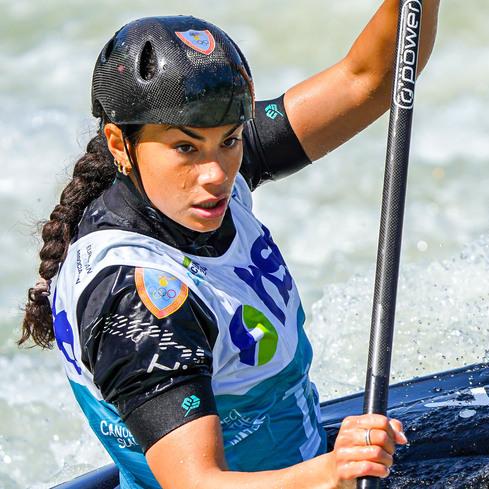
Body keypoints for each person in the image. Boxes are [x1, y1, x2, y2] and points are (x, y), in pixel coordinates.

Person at [18, 5, 439, 488]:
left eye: (231, 140)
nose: (217, 174)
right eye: (186, 148)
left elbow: (366, 78)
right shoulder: (138, 300)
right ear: (120, 143)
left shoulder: (187, 182)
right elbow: (197, 483)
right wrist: (330, 473)